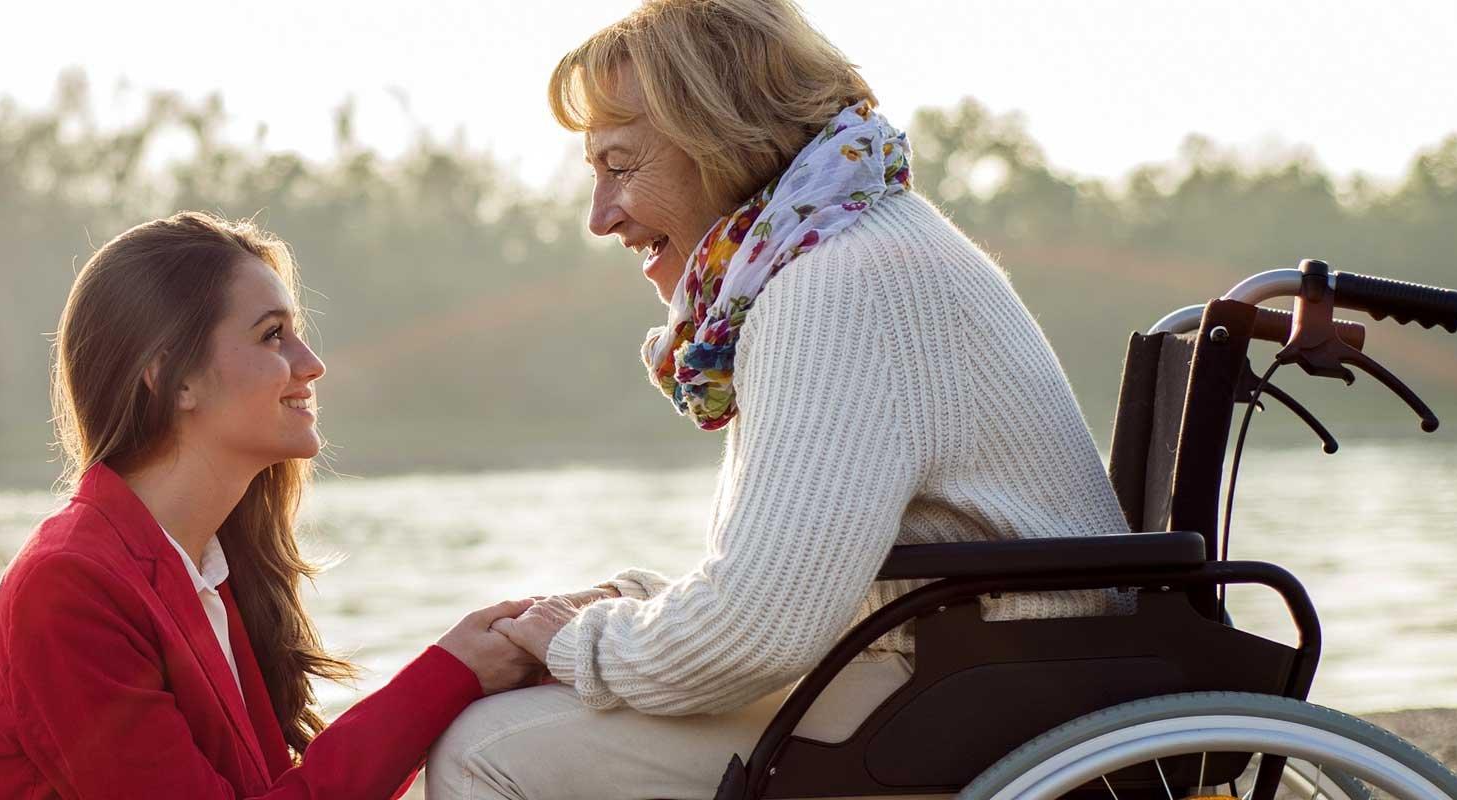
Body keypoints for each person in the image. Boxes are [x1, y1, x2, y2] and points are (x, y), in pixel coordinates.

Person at [424, 1, 1135, 797]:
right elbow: (808, 585)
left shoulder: (838, 282)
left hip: (980, 697)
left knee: (488, 747)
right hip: (973, 669)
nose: (600, 217)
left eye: (620, 166)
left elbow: (757, 633)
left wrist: (575, 644)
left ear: (721, 137)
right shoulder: (854, 245)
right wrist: (632, 606)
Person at [0, 212, 546, 798]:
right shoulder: (69, 584)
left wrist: (496, 666)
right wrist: (448, 675)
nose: (311, 364)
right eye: (272, 335)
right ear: (173, 378)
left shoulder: (208, 567)